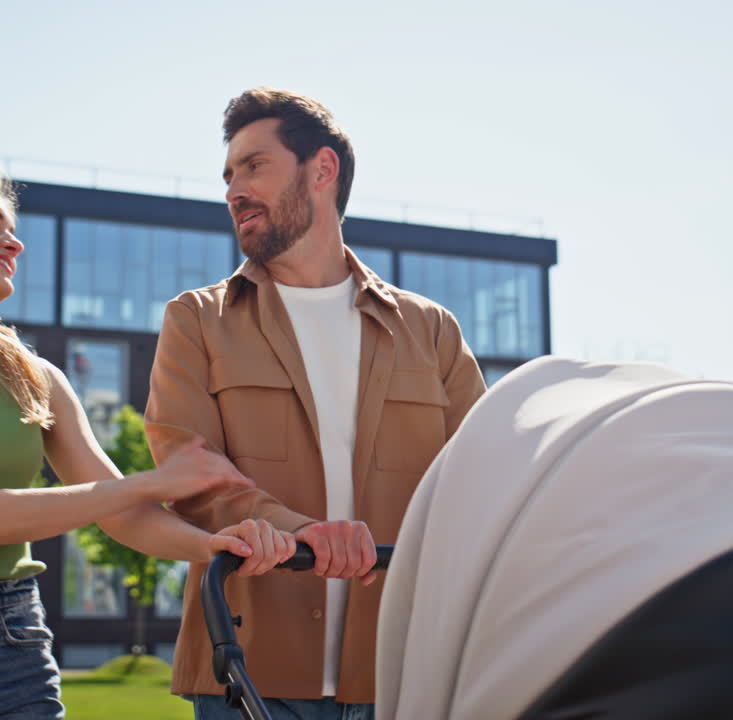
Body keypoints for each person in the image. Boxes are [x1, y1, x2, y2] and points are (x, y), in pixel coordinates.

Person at [0, 167, 296, 720]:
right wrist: (157, 481)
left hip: (11, 637)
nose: (13, 241)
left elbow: (125, 515)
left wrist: (213, 548)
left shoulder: (36, 378)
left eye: (12, 227)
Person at [145, 87, 487, 719]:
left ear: (321, 170)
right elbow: (190, 477)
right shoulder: (197, 321)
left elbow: (480, 478)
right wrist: (302, 533)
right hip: (246, 670)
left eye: (255, 166)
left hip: (399, 673)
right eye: (228, 175)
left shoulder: (431, 330)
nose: (234, 191)